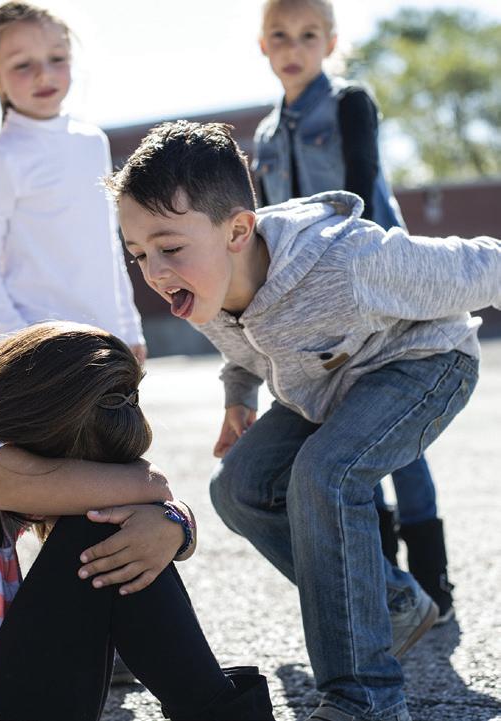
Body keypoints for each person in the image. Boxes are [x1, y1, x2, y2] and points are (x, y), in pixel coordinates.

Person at [106, 120, 501, 721]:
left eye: (170, 247)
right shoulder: (204, 285)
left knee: (326, 474)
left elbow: (485, 264)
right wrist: (238, 397)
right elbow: (242, 348)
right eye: (138, 255)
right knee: (237, 488)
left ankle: (366, 698)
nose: (155, 272)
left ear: (238, 230)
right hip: (325, 388)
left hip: (423, 364)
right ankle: (391, 605)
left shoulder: (347, 262)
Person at [0, 321, 274, 721]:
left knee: (116, 527)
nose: (81, 482)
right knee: (102, 526)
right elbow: (150, 484)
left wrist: (174, 525)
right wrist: (170, 518)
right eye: (80, 465)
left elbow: (152, 497)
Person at [252, 0, 454, 624]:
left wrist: (357, 272)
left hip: (378, 286)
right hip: (312, 306)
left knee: (399, 439)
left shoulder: (349, 104)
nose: (293, 47)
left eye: (308, 35)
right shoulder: (264, 136)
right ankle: (390, 584)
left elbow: (363, 187)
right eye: (280, 35)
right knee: (346, 434)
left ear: (330, 43)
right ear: (263, 45)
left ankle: (434, 581)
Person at [0, 3, 146, 364]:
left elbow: (108, 245)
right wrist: (19, 345)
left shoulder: (93, 142)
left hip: (109, 341)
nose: (43, 74)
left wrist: (130, 327)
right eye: (22, 65)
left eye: (57, 59)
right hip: (45, 353)